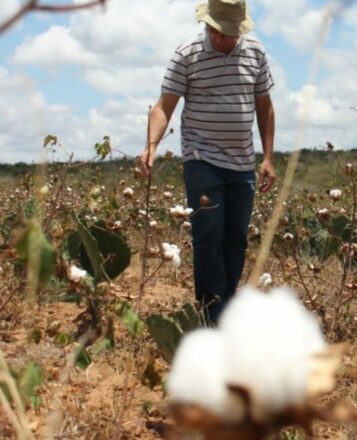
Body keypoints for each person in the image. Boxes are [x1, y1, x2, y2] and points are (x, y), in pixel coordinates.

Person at [139, 0, 276, 325]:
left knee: (235, 239)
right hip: (202, 160)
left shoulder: (255, 52)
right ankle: (212, 315)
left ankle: (223, 312)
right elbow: (163, 106)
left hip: (243, 163)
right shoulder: (187, 53)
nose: (222, 39)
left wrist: (268, 157)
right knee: (209, 235)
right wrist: (151, 146)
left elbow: (265, 106)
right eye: (216, 31)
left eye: (229, 33)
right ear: (207, 24)